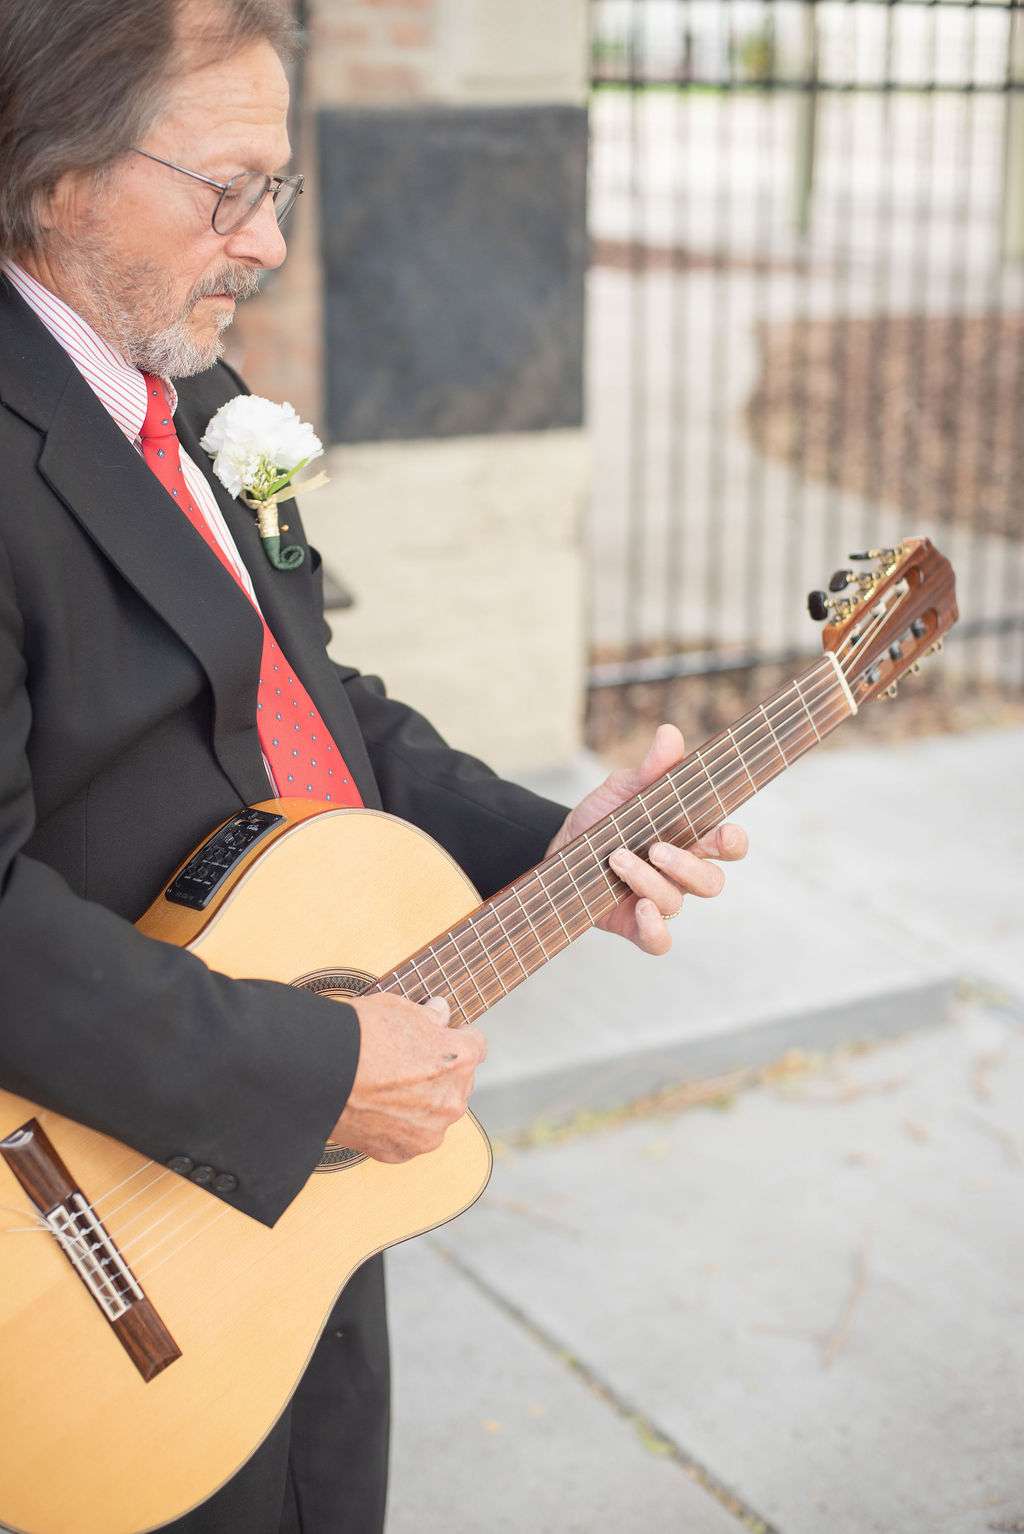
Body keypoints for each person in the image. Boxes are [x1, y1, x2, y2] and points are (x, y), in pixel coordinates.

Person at [0, 1, 748, 1529]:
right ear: (51, 176)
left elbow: (312, 699)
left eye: (279, 187)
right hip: (86, 1218)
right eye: (229, 189)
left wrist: (556, 839)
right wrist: (320, 1070)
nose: (270, 243)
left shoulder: (196, 391)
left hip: (298, 1184)